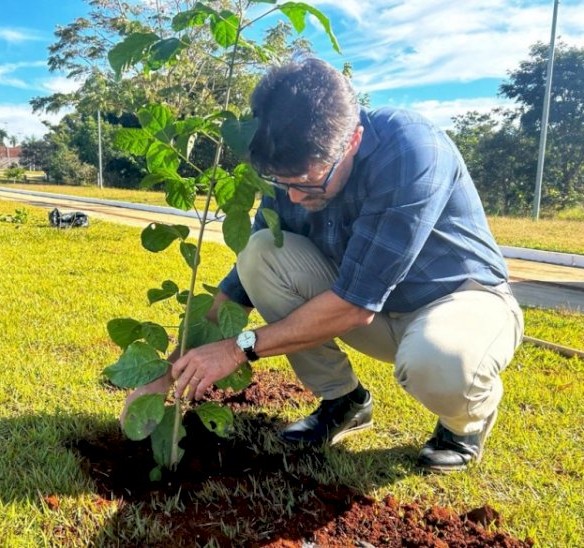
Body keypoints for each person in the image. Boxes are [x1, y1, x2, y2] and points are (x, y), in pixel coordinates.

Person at [123, 57, 524, 473]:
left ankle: (463, 425)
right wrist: (166, 374)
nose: (294, 197)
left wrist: (238, 348)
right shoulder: (290, 165)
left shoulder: (411, 151)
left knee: (437, 361)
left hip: (460, 301)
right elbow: (238, 289)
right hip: (369, 310)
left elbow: (354, 304)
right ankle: (344, 401)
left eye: (307, 183)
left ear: (351, 142)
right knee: (259, 253)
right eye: (283, 183)